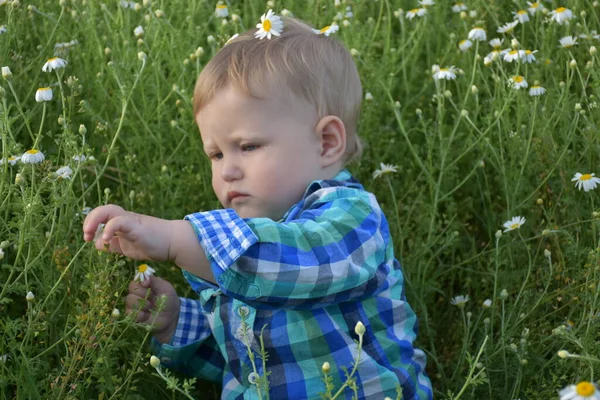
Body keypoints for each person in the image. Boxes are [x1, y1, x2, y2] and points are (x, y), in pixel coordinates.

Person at [82, 13, 433, 400]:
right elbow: (251, 363)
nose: (227, 170)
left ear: (327, 142)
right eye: (215, 154)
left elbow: (292, 264)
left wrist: (175, 239)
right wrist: (177, 322)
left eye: (248, 146)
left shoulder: (352, 218)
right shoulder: (237, 243)